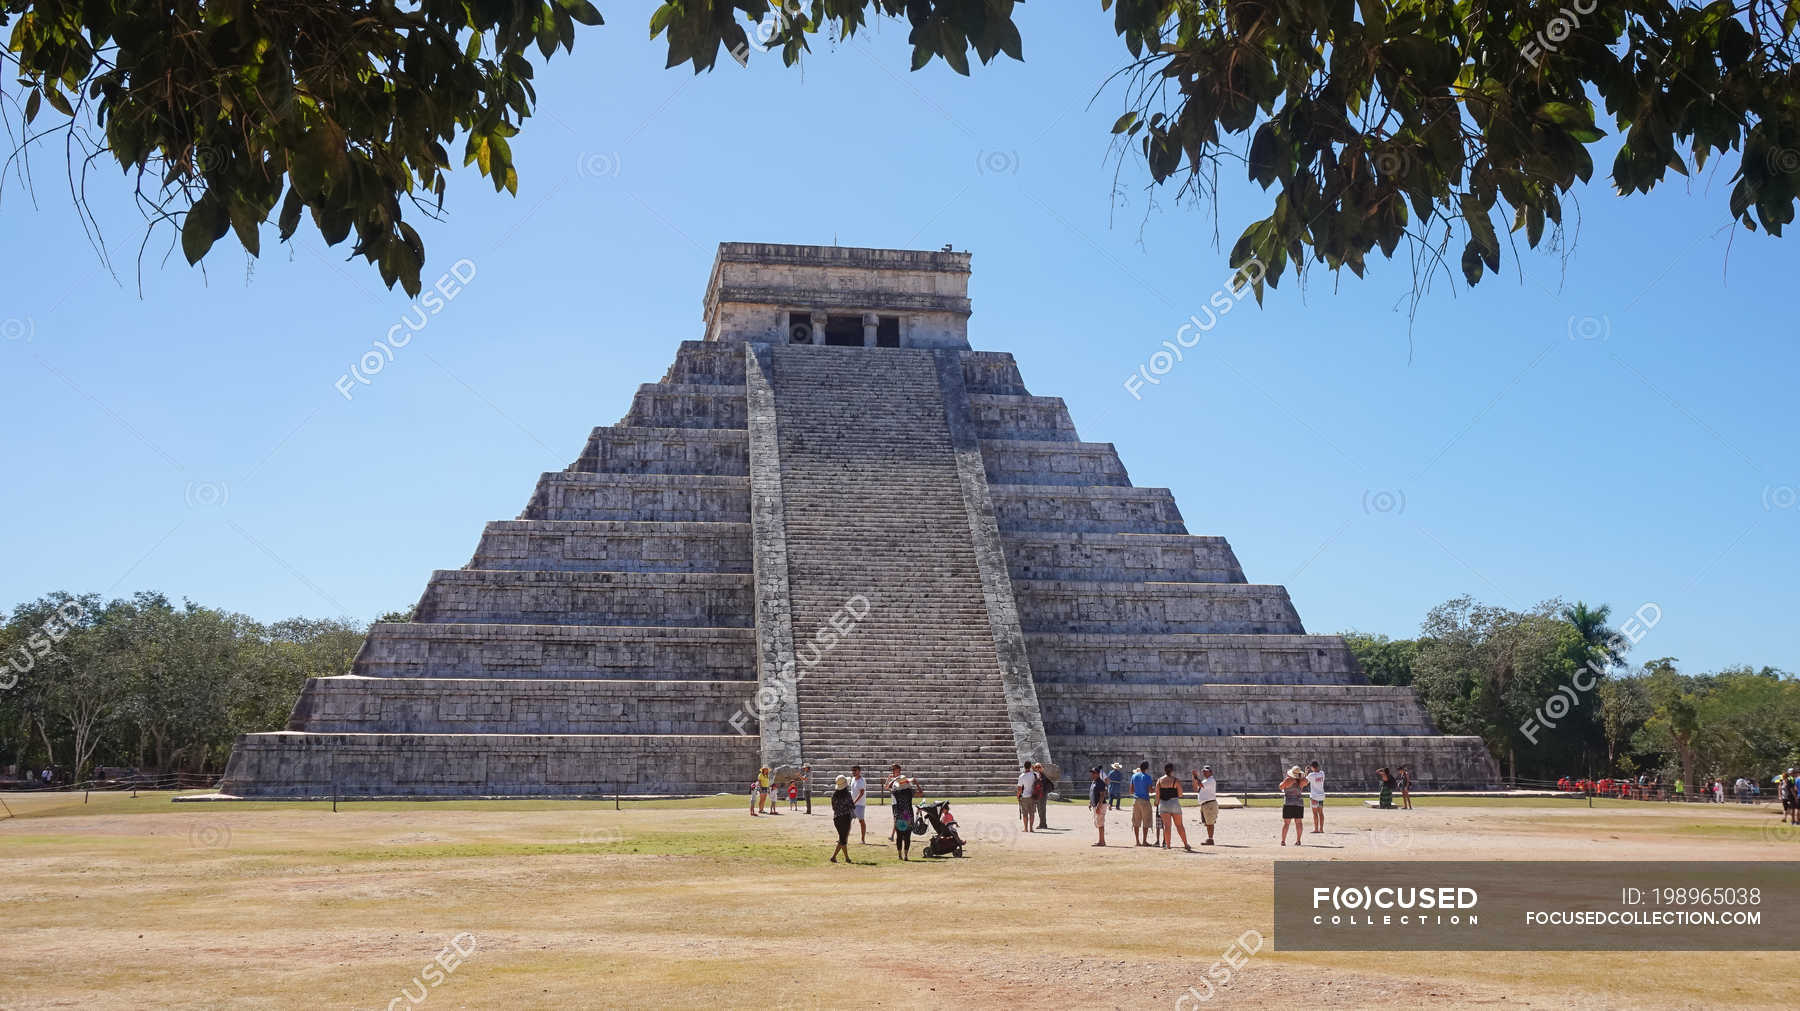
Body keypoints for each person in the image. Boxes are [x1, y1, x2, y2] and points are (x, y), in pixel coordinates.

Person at [1156, 763, 1192, 852]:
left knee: (1167, 826)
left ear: (1164, 770)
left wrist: (1157, 803)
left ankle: (1168, 845)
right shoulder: (1175, 780)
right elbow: (1180, 794)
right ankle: (1185, 844)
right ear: (1172, 770)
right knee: (1179, 825)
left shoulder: (1159, 780)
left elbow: (1157, 795)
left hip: (1163, 804)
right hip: (1174, 803)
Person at [890, 772, 918, 860]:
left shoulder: (896, 792)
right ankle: (906, 855)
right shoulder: (910, 792)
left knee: (899, 836)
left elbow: (889, 787)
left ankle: (899, 855)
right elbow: (919, 792)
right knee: (907, 836)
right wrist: (915, 783)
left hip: (899, 814)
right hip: (908, 814)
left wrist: (894, 779)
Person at [1189, 766, 1219, 845]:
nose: (1204, 773)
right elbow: (1196, 789)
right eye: (1204, 771)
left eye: (1206, 771)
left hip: (1209, 803)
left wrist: (1195, 777)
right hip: (1205, 804)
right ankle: (1210, 838)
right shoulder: (1205, 780)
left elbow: (1200, 785)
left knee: (1210, 822)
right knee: (1208, 822)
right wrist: (1194, 779)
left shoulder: (1211, 780)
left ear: (1211, 772)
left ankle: (1210, 839)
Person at [829, 775, 855, 863]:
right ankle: (836, 857)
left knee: (842, 838)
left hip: (836, 818)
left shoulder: (834, 795)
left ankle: (846, 858)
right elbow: (852, 805)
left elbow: (833, 807)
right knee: (843, 839)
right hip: (845, 818)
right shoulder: (847, 794)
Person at [1279, 766, 1307, 845]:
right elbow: (1306, 781)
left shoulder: (1288, 780)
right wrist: (1303, 775)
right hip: (1298, 803)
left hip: (1288, 802)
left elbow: (1280, 786)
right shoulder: (1301, 781)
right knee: (1298, 823)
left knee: (1286, 823)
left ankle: (1283, 841)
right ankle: (1298, 840)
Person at [1130, 761, 1155, 846]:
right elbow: (1150, 790)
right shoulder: (1148, 777)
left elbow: (1131, 790)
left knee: (1136, 821)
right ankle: (1144, 840)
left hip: (1136, 800)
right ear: (1147, 768)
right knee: (1146, 820)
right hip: (1145, 800)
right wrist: (1153, 789)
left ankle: (1137, 841)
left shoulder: (1134, 776)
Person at [1088, 766, 1109, 847]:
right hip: (1095, 804)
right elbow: (1092, 793)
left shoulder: (1100, 782)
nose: (1092, 774)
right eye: (1092, 773)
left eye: (1093, 773)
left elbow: (1102, 795)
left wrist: (1098, 806)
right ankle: (1100, 840)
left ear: (1097, 774)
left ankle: (1102, 841)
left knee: (1100, 823)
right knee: (1097, 823)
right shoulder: (1094, 782)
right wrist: (1090, 802)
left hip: (1100, 804)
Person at [1016, 760, 1038, 833]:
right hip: (1033, 795)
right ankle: (1031, 828)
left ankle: (1026, 828)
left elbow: (1019, 789)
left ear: (1024, 767)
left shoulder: (1022, 776)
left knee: (1025, 813)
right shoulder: (1034, 774)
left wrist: (1018, 796)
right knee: (1032, 813)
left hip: (1025, 796)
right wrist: (1033, 767)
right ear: (1030, 766)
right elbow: (1038, 773)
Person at [1305, 761, 1326, 834]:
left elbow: (1305, 782)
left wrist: (1306, 773)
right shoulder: (1322, 773)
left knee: (1315, 814)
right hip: (1321, 796)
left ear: (1312, 767)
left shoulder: (1311, 775)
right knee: (1321, 813)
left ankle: (1316, 829)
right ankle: (1321, 829)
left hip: (1314, 796)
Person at [849, 765, 868, 843]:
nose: (853, 772)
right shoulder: (853, 779)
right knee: (848, 820)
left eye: (855, 770)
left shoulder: (861, 781)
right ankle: (844, 837)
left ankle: (863, 839)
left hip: (859, 804)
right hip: (853, 803)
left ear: (859, 771)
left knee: (861, 821)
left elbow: (862, 793)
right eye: (853, 770)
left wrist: (854, 802)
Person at [1033, 762, 1054, 830]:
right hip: (1039, 794)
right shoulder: (1039, 774)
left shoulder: (1043, 775)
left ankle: (1043, 824)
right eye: (1036, 767)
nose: (1037, 769)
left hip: (1042, 794)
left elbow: (1042, 783)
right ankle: (1042, 823)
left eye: (1038, 767)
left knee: (1042, 809)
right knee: (1040, 809)